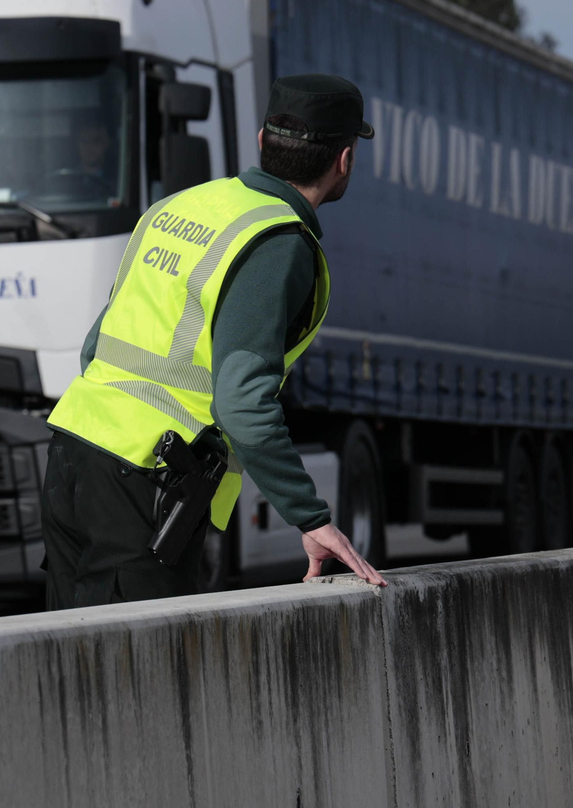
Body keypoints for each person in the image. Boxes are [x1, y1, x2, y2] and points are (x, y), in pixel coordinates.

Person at [41, 74, 386, 609]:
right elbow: (241, 401)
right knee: (144, 677)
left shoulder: (178, 206)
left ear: (260, 142)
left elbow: (96, 346)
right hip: (144, 478)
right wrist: (309, 516)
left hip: (70, 452)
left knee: (72, 669)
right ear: (344, 160)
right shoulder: (277, 242)